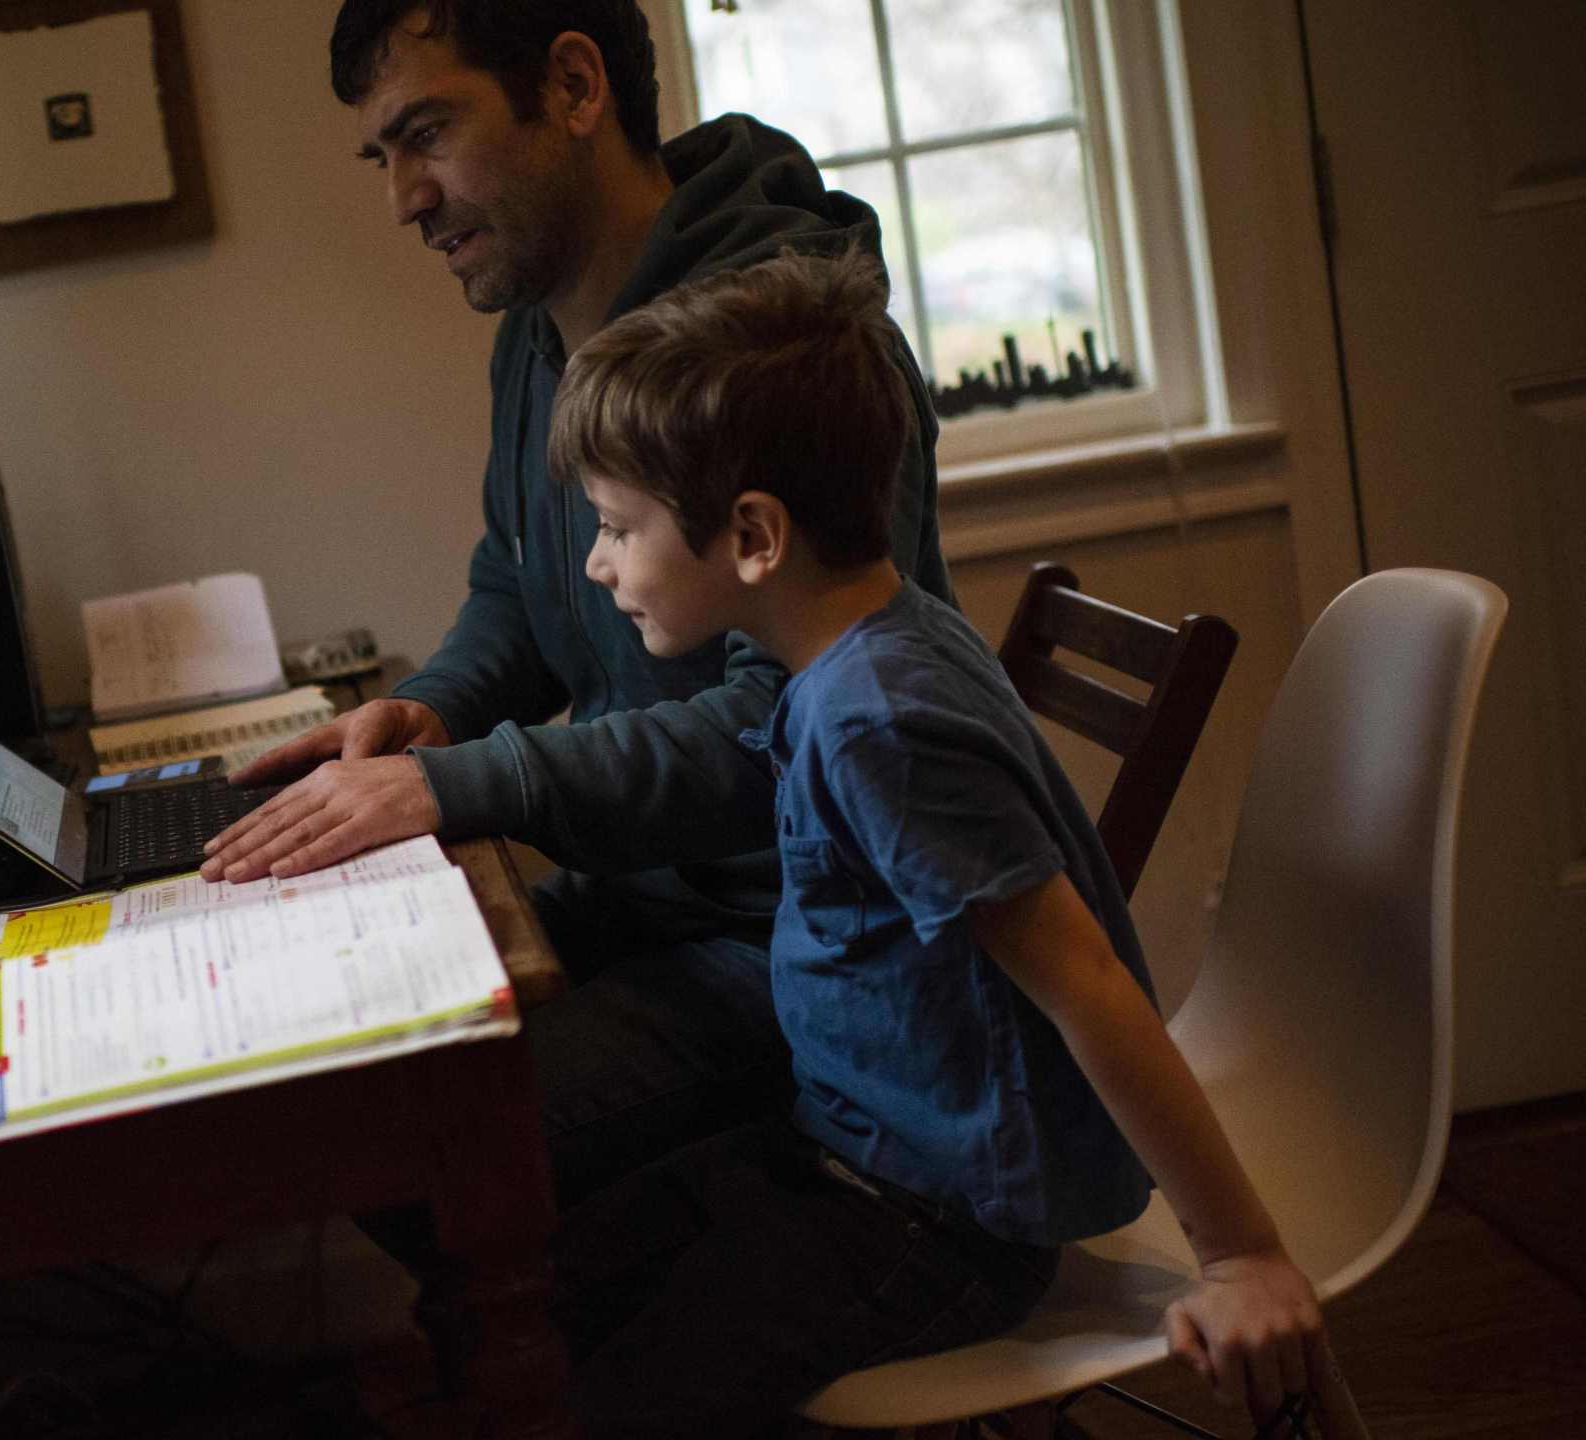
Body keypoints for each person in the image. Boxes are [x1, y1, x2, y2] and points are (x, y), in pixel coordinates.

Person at [202, 0, 952, 1303]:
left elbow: (794, 732)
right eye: (380, 155)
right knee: (339, 1065)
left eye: (426, 133)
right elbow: (517, 580)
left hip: (804, 947)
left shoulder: (785, 352)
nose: (403, 199)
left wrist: (459, 787)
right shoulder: (538, 337)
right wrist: (429, 715)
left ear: (572, 84)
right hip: (654, 903)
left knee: (404, 1148)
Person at [523, 247, 1332, 1431]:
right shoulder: (865, 649)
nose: (599, 563)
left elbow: (1088, 985)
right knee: (556, 1277)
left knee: (616, 1401)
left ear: (752, 535)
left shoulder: (881, 721)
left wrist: (1241, 1257)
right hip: (846, 1160)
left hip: (929, 1222)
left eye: (616, 527)